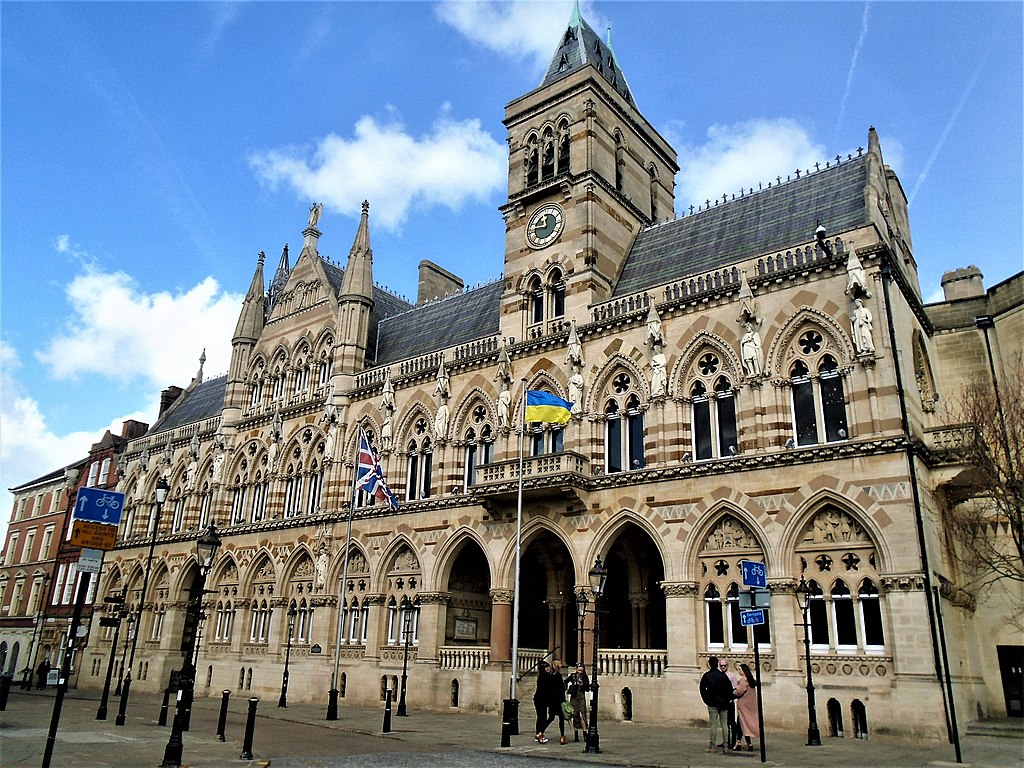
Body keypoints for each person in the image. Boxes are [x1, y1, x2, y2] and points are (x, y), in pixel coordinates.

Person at [699, 655, 734, 754]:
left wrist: (706, 700)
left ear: (709, 664)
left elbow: (702, 689)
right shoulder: (723, 676)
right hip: (723, 702)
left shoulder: (706, 676)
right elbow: (729, 689)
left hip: (712, 702)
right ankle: (726, 745)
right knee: (724, 724)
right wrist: (727, 700)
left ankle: (712, 746)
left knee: (713, 724)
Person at [732, 662, 761, 751]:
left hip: (744, 705)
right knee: (744, 724)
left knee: (741, 724)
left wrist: (734, 691)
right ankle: (745, 743)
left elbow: (739, 691)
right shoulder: (751, 680)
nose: (739, 671)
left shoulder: (744, 680)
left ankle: (739, 743)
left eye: (740, 669)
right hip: (750, 705)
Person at [533, 660, 557, 744]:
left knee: (544, 717)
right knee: (542, 717)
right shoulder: (544, 677)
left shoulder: (545, 676)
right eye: (546, 667)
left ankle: (539, 733)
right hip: (541, 699)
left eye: (548, 667)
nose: (548, 668)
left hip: (544, 699)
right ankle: (539, 734)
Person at [566, 663, 590, 743]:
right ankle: (576, 734)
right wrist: (567, 688)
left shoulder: (585, 677)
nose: (580, 671)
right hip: (574, 697)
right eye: (579, 670)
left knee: (582, 715)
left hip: (581, 696)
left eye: (581, 670)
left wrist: (583, 684)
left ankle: (584, 733)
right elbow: (565, 681)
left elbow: (587, 688)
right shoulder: (573, 676)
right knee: (575, 715)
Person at [548, 660, 568, 744]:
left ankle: (540, 732)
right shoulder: (558, 676)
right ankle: (562, 736)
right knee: (561, 718)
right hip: (558, 700)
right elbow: (561, 689)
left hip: (552, 700)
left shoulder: (550, 676)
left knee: (551, 717)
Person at [720, 659, 740, 747]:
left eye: (724, 665)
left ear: (727, 666)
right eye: (721, 666)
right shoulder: (719, 675)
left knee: (731, 721)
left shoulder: (731, 675)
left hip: (729, 701)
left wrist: (731, 698)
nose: (723, 667)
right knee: (724, 722)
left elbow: (735, 688)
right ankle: (726, 741)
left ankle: (733, 741)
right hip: (721, 701)